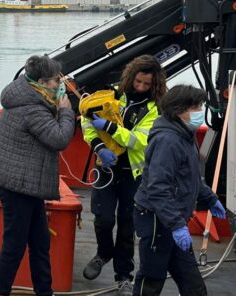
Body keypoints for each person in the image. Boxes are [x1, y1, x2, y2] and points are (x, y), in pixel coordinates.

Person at [0, 55, 76, 296]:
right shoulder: (33, 109)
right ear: (41, 82)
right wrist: (66, 111)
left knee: (39, 243)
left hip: (24, 183)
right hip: (19, 186)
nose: (59, 85)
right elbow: (59, 139)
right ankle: (0, 291)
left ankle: (44, 291)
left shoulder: (21, 93)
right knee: (14, 245)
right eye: (56, 81)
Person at [80, 55, 167, 296]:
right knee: (103, 218)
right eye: (138, 81)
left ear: (155, 84)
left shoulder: (155, 109)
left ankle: (123, 276)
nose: (140, 87)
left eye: (146, 84)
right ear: (131, 77)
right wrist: (98, 147)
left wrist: (108, 128)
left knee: (127, 225)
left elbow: (139, 141)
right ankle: (103, 253)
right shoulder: (113, 95)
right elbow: (87, 122)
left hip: (133, 174)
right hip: (106, 168)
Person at [132, 85, 226, 296]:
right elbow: (157, 188)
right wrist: (175, 224)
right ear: (178, 110)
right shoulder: (168, 140)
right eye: (195, 106)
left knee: (193, 284)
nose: (200, 111)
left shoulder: (184, 135)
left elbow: (189, 177)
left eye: (200, 105)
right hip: (157, 219)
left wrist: (210, 199)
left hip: (173, 219)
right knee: (151, 279)